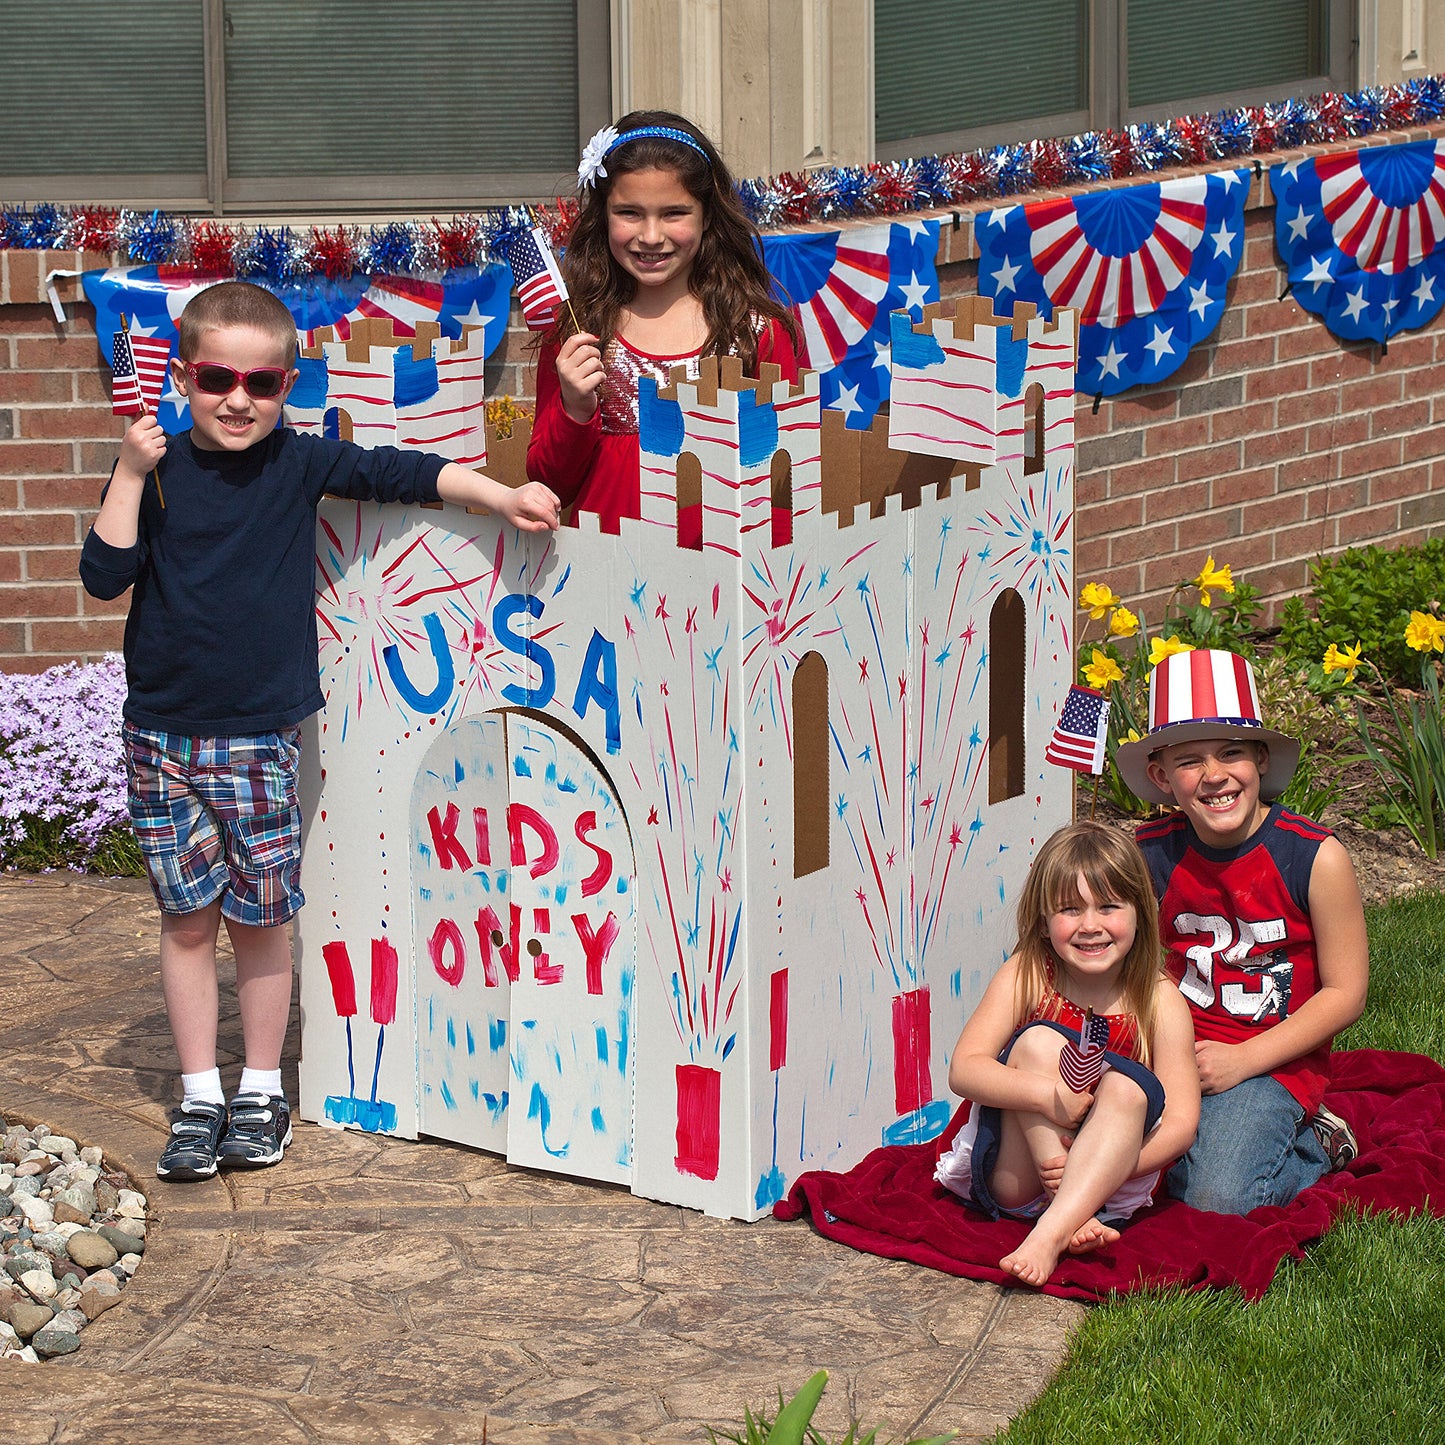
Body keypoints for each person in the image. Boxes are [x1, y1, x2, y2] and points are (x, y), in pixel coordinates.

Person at [79, 280, 560, 1182]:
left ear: (288, 385)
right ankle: (198, 1097)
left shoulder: (296, 464)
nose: (237, 399)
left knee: (259, 921)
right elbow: (103, 575)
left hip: (258, 737)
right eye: (217, 377)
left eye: (261, 384)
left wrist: (499, 496)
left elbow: (402, 471)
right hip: (162, 737)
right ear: (183, 377)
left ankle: (260, 1088)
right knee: (186, 921)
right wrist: (132, 471)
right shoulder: (159, 471)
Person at [1117, 647, 1369, 1215]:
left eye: (1231, 752)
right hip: (1171, 1050)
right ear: (1161, 776)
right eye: (1189, 761)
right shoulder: (1148, 856)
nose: (1214, 775)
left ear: (1259, 758)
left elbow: (1346, 992)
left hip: (1272, 1060)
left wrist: (1243, 1061)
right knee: (1086, 1157)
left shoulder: (1314, 857)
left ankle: (1316, 1143)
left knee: (1217, 1198)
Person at [938, 822, 1199, 1286]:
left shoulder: (1159, 999)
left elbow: (1180, 1122)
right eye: (1069, 909)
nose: (1090, 925)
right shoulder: (1029, 973)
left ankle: (1049, 1233)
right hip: (1020, 1171)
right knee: (1038, 1044)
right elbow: (965, 1069)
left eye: (1109, 907)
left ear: (1141, 912)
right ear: (1042, 919)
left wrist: (1105, 1169)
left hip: (1109, 1186)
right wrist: (1047, 1097)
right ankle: (1064, 1219)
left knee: (1127, 1088)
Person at [526, 109, 801, 545]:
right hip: (607, 577)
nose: (651, 236)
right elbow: (550, 485)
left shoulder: (756, 331)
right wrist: (576, 409)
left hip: (722, 578)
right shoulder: (579, 333)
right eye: (630, 213)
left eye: (674, 213)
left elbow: (785, 477)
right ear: (603, 215)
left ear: (707, 216)